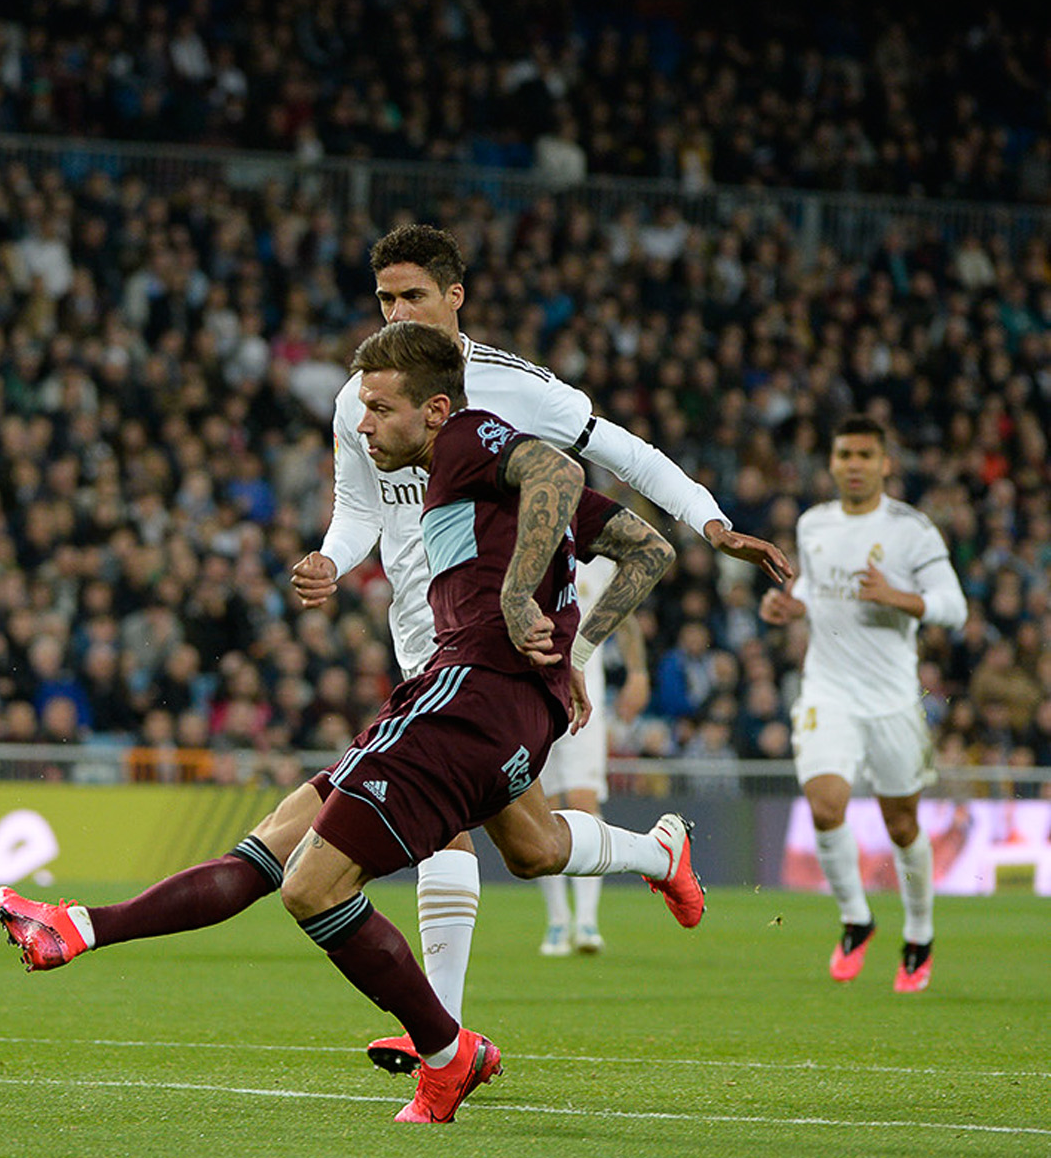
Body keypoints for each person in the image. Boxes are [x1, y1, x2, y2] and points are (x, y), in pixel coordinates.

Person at [0, 322, 702, 1123]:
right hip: (492, 708)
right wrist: (581, 650)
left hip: (468, 701)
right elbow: (647, 549)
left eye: (378, 408)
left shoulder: (472, 438)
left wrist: (514, 599)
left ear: (436, 409)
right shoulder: (461, 472)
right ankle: (82, 928)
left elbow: (554, 466)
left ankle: (447, 1051)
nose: (361, 425)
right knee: (290, 849)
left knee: (312, 886)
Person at [289, 223, 790, 1068]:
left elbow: (622, 451)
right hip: (420, 631)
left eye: (413, 295)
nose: (398, 309)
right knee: (528, 847)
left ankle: (438, 1039)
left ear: (456, 296)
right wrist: (331, 560)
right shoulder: (362, 396)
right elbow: (361, 511)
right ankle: (656, 853)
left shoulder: (513, 388)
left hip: (500, 639)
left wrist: (710, 519)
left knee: (448, 832)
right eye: (385, 298)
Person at [758, 416, 966, 992]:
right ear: (831, 462)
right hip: (828, 689)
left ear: (884, 463)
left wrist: (895, 596)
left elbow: (954, 607)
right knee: (826, 805)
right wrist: (790, 604)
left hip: (894, 699)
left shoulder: (912, 530)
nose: (853, 464)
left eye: (865, 455)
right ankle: (856, 918)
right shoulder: (814, 523)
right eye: (844, 453)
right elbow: (814, 587)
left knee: (902, 824)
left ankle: (919, 933)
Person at [536, 554, 648, 955]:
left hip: (586, 701)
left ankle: (585, 921)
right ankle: (557, 920)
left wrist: (638, 673)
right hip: (532, 699)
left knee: (583, 803)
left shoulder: (597, 558)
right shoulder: (520, 544)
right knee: (542, 811)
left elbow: (626, 617)